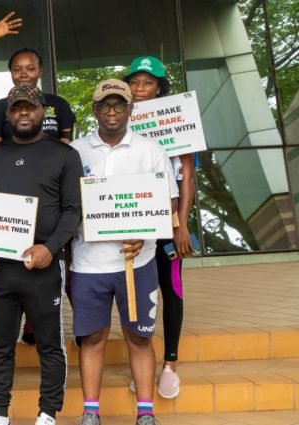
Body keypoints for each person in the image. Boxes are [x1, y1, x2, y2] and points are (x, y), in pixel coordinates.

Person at [69, 80, 178, 425]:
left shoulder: (151, 150)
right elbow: (67, 204)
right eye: (105, 105)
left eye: (119, 105)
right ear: (95, 109)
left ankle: (145, 414)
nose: (112, 112)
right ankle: (90, 412)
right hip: (88, 263)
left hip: (138, 262)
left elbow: (169, 203)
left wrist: (146, 235)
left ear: (131, 109)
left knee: (139, 337)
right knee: (92, 337)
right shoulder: (75, 151)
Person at [0, 85, 82, 425]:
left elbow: (73, 210)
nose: (23, 112)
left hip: (45, 265)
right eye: (16, 108)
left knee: (49, 343)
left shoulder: (64, 155)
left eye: (30, 107)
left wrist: (50, 248)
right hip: (1, 266)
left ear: (42, 112)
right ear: (8, 115)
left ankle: (48, 413)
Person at [0, 48, 77, 346]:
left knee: (54, 292)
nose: (23, 73)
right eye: (17, 68)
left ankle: (44, 324)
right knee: (1, 340)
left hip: (48, 222)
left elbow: (62, 156)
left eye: (30, 68)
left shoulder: (58, 107)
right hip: (7, 236)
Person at [123, 55, 194, 400]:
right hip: (135, 219)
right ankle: (143, 365)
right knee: (138, 290)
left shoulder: (177, 119)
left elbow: (187, 176)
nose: (140, 88)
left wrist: (181, 224)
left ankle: (170, 364)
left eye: (148, 83)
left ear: (159, 88)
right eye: (135, 82)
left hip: (168, 221)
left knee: (171, 287)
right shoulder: (119, 117)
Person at [0, 48, 75, 145]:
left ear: (40, 72)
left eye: (30, 69)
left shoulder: (59, 104)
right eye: (17, 70)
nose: (23, 75)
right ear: (11, 73)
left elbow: (67, 147)